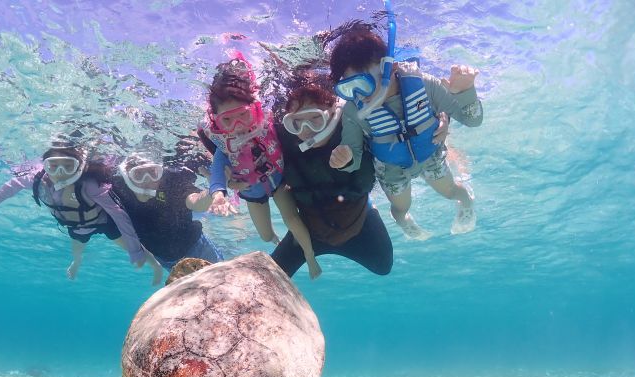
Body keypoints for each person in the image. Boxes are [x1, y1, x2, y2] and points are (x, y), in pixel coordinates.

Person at [271, 72, 443, 277]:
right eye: (296, 122)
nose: (307, 130)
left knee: (383, 265)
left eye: (316, 119)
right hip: (308, 232)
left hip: (359, 224)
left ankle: (372, 207)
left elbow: (407, 113)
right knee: (272, 277)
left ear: (334, 112)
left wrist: (443, 118)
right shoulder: (281, 139)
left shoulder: (355, 125)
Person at [327, 19, 483, 240]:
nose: (362, 95)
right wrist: (345, 159)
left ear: (392, 67)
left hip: (430, 155)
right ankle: (403, 222)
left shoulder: (425, 85)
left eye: (366, 82)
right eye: (350, 87)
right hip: (392, 169)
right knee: (401, 207)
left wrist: (465, 91)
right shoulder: (353, 110)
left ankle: (466, 202)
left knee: (451, 192)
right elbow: (354, 152)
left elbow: (471, 120)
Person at [199, 53, 323, 279]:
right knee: (266, 237)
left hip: (278, 182)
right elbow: (217, 171)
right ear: (216, 121)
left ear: (255, 109)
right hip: (251, 192)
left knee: (292, 219)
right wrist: (218, 194)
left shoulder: (270, 126)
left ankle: (310, 256)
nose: (238, 127)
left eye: (243, 116)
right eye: (227, 120)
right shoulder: (225, 145)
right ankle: (275, 238)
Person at [0, 138, 163, 284]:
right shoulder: (36, 179)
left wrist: (134, 251)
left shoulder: (91, 186)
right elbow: (12, 186)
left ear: (79, 166)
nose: (60, 172)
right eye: (53, 166)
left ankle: (155, 266)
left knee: (137, 249)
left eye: (68, 166)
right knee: (77, 251)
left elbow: (118, 215)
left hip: (103, 222)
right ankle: (77, 262)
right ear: (45, 166)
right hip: (76, 227)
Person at [111, 151, 224, 271]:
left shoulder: (170, 182)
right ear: (126, 175)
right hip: (167, 261)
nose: (147, 180)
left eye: (153, 173)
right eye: (138, 174)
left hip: (199, 248)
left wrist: (213, 191)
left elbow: (195, 202)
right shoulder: (118, 190)